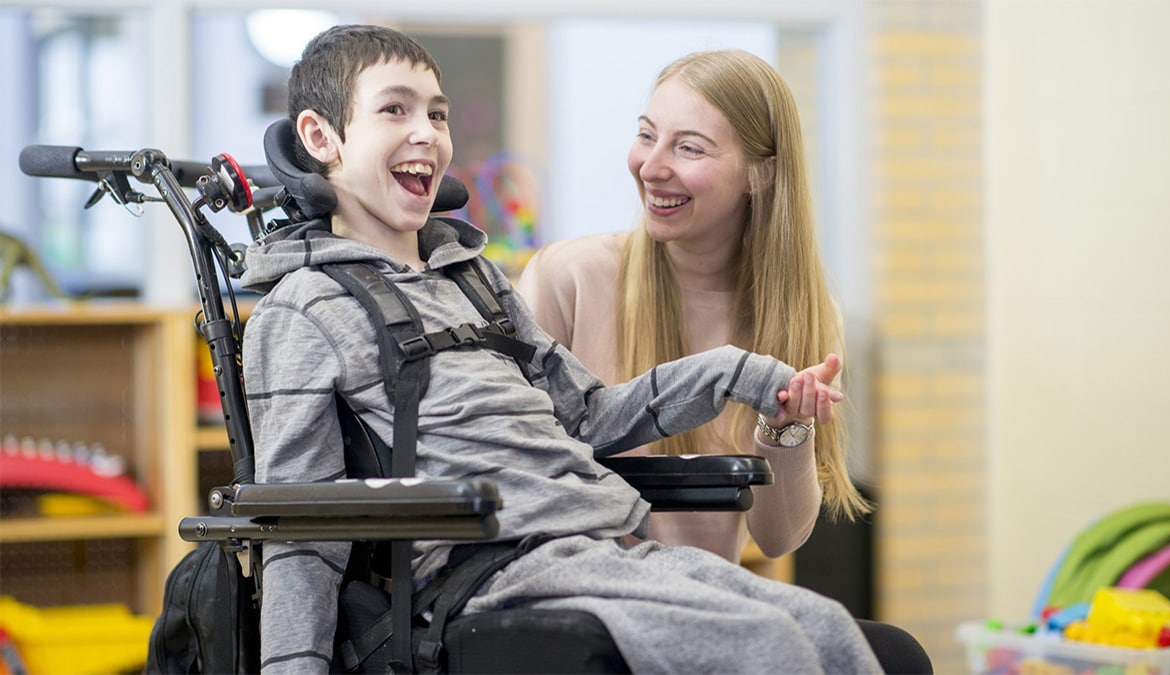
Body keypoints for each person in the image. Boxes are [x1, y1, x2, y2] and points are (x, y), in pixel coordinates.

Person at [239, 24, 882, 674]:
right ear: (322, 138)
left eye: (437, 112)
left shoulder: (477, 279)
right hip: (490, 566)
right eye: (394, 109)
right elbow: (299, 522)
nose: (427, 132)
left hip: (593, 537)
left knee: (828, 631)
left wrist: (740, 374)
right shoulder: (303, 307)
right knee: (765, 646)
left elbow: (590, 414)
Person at [518, 49, 871, 564]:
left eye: (688, 148)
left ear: (760, 174)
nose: (651, 166)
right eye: (646, 135)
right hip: (573, 593)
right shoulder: (565, 279)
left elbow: (778, 539)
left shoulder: (808, 317)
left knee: (895, 649)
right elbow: (511, 473)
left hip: (700, 600)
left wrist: (786, 430)